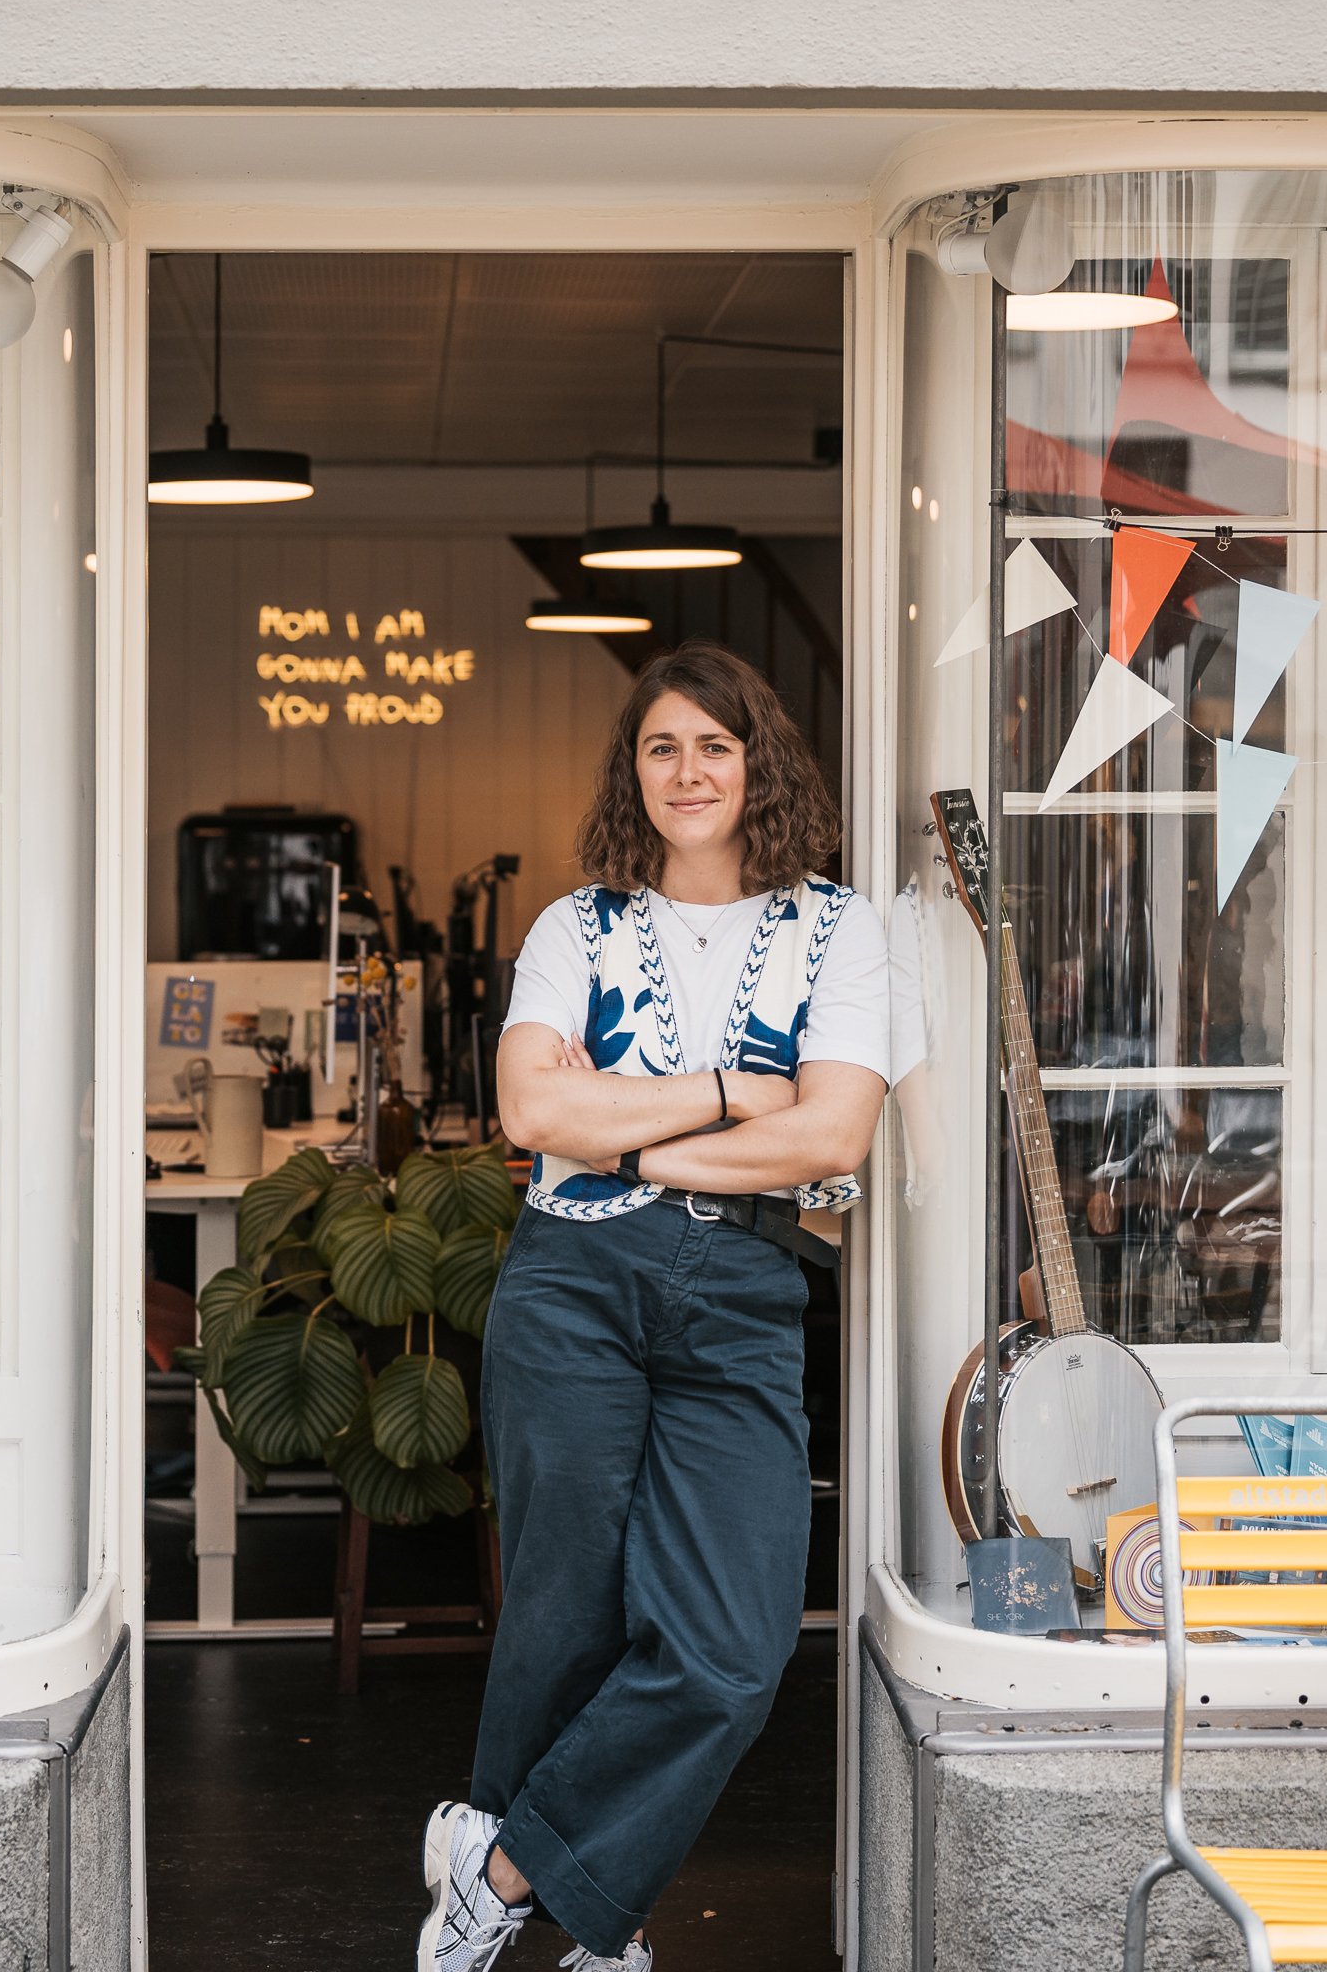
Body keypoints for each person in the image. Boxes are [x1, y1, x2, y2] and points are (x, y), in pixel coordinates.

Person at [420, 643, 889, 1972]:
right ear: (635, 775)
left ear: (763, 764)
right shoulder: (576, 927)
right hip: (571, 1281)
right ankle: (593, 1927)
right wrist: (745, 1097)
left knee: (733, 1643)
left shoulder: (842, 929)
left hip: (741, 1291)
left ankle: (502, 1861)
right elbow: (528, 1113)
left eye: (716, 746)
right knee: (564, 1611)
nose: (689, 772)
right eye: (662, 748)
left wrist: (623, 1131)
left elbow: (835, 1132)